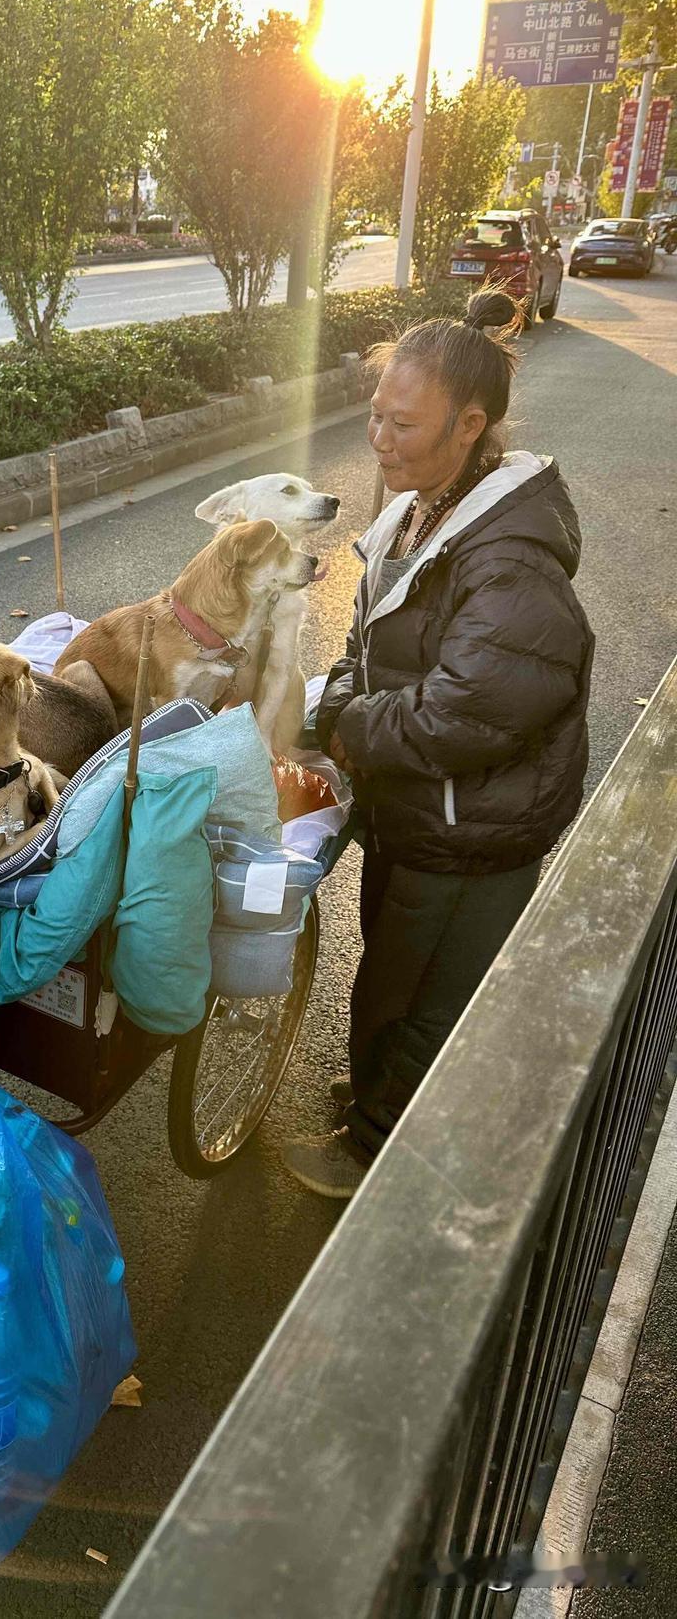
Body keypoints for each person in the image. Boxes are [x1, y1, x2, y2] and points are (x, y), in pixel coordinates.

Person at [283, 289, 594, 1199]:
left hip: (472, 828)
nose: (379, 438)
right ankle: (379, 1095)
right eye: (375, 414)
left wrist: (346, 729)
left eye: (402, 423)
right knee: (390, 974)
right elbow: (364, 636)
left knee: (424, 997)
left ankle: (377, 1153)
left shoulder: (509, 558)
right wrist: (336, 699)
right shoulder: (423, 509)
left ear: (470, 425)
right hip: (418, 809)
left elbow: (473, 710)